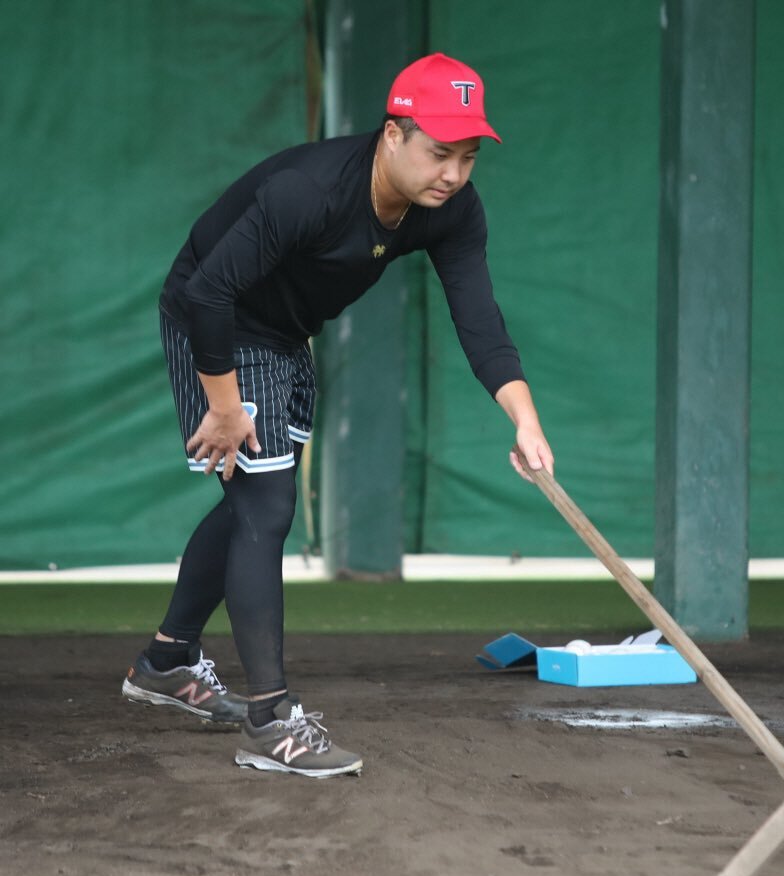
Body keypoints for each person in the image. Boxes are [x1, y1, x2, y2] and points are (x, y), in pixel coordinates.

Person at [120, 52, 554, 778]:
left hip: (287, 331)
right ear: (393, 134)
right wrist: (223, 406)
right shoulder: (310, 192)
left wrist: (525, 418)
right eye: (440, 152)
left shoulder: (451, 211)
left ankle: (166, 660)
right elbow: (206, 293)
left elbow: (479, 318)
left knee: (252, 501)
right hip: (218, 316)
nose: (453, 173)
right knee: (267, 503)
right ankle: (271, 720)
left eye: (469, 157)